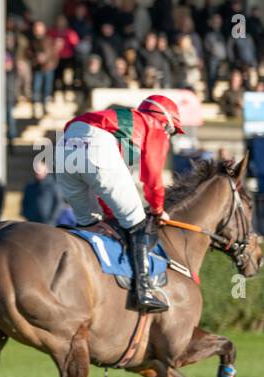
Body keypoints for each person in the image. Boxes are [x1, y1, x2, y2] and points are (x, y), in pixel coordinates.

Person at [56, 94, 182, 313]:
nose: (169, 136)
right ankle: (143, 291)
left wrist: (111, 215)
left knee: (91, 225)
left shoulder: (123, 126)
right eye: (171, 131)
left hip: (63, 146)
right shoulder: (154, 126)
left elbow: (107, 187)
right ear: (165, 121)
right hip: (94, 146)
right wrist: (158, 209)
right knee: (138, 224)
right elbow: (152, 176)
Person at [21, 157, 62, 225]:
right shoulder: (30, 186)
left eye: (39, 169)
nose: (37, 172)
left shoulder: (53, 185)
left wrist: (52, 219)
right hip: (31, 223)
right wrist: (27, 214)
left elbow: (58, 203)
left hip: (48, 224)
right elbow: (24, 202)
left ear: (45, 169)